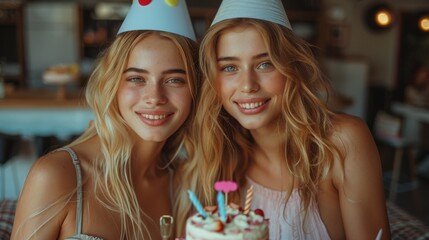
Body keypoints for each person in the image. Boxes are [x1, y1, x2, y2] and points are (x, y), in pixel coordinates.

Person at [174, 0, 391, 239]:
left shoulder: (342, 142)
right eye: (229, 67)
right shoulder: (218, 158)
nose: (247, 85)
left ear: (292, 67)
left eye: (265, 64)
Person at [11, 1, 198, 239]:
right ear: (111, 85)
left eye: (174, 80)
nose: (155, 98)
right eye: (136, 79)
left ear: (195, 91)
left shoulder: (184, 184)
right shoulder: (57, 176)